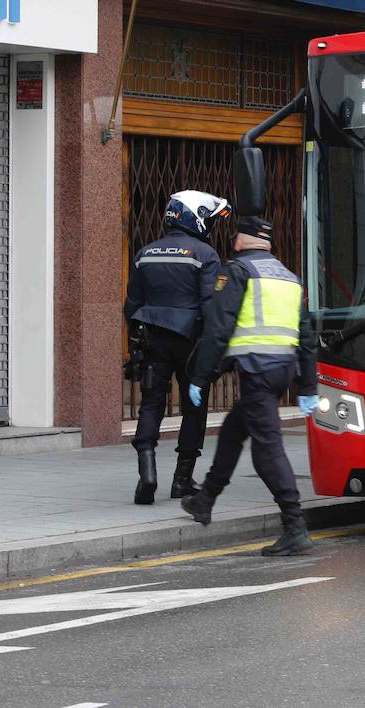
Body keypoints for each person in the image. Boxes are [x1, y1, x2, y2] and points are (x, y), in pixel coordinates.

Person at [180, 216, 320, 556]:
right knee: (232, 430)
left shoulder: (238, 270)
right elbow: (307, 337)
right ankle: (205, 499)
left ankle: (295, 526)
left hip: (257, 371)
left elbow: (218, 327)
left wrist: (200, 376)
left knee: (267, 452)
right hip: (282, 370)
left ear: (241, 240)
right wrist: (307, 386)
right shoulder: (288, 277)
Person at [123, 190, 229, 505]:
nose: (209, 225)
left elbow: (131, 303)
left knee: (152, 404)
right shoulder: (205, 254)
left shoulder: (145, 253)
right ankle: (182, 480)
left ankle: (147, 472)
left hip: (153, 340)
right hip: (192, 343)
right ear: (193, 215)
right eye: (207, 218)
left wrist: (136, 340)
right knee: (194, 408)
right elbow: (211, 306)